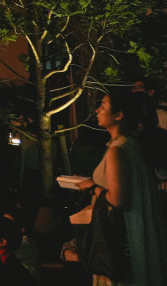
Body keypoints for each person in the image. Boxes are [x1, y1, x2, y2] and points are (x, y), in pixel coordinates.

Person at [81, 89, 167, 286]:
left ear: (119, 115)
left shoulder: (117, 151)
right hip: (135, 233)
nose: (97, 111)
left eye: (103, 106)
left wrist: (91, 187)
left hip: (120, 237)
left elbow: (118, 199)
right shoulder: (131, 145)